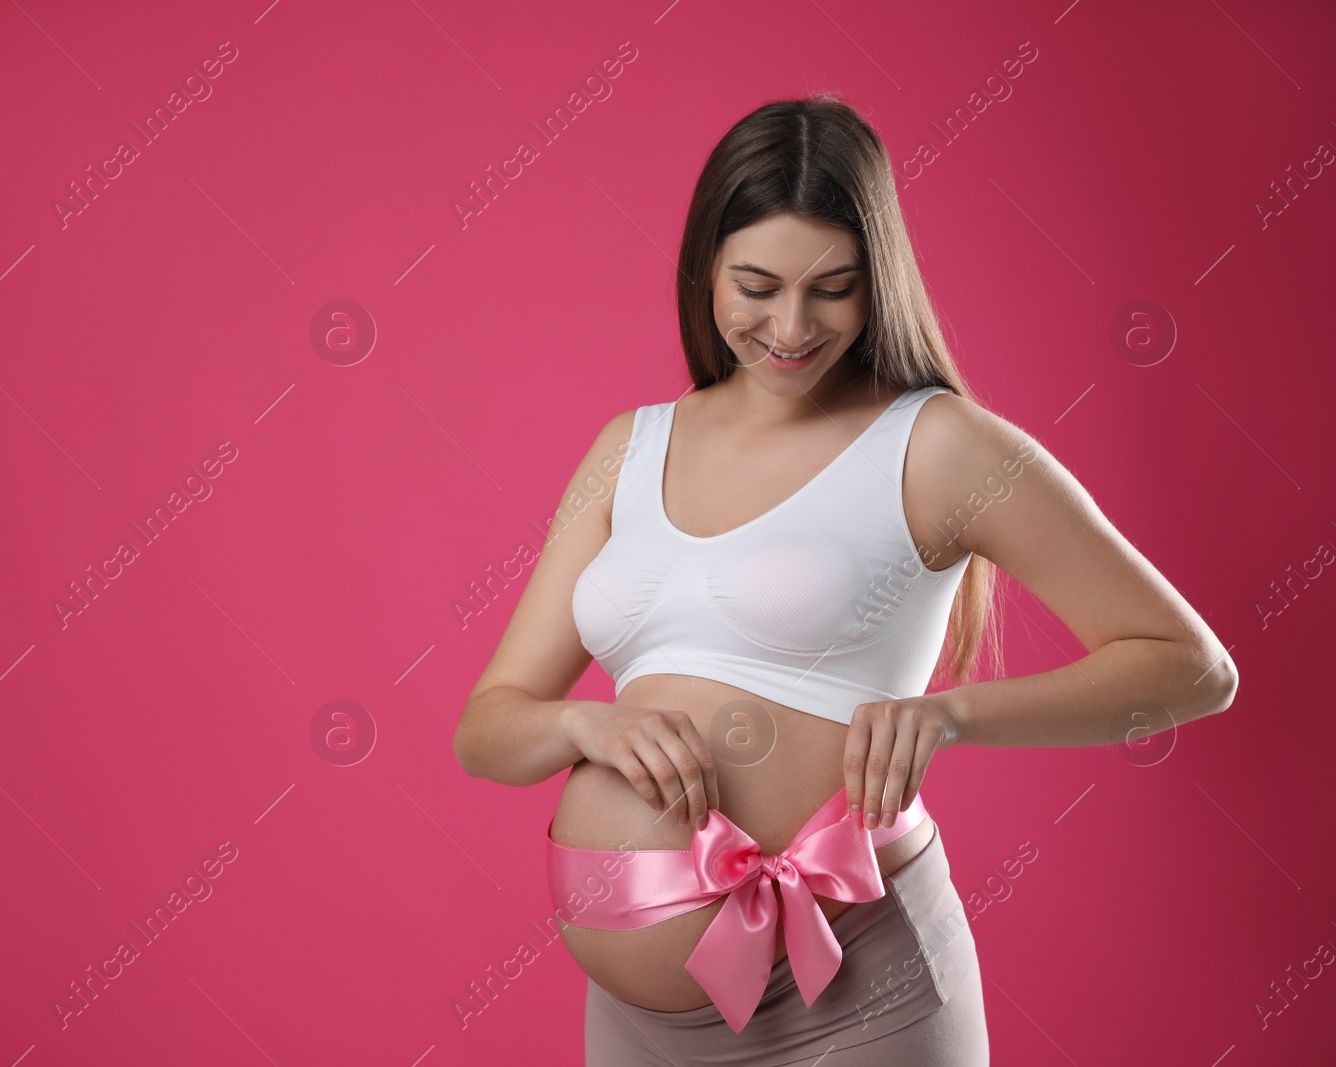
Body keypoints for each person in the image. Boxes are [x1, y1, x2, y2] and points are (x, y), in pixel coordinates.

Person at [452, 93, 1238, 1065]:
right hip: (638, 1025)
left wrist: (952, 716)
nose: (790, 324)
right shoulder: (627, 448)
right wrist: (582, 722)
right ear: (704, 268)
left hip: (859, 984)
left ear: (879, 281)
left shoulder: (936, 445)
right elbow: (486, 726)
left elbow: (1192, 667)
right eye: (756, 284)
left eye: (832, 286)